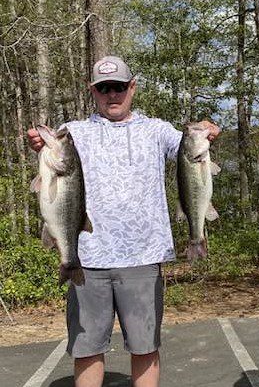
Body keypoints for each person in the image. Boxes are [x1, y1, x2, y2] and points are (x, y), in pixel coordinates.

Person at [27, 55, 220, 387]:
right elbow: (51, 155)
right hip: (87, 259)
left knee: (145, 347)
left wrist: (209, 129)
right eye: (104, 88)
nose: (112, 94)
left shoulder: (157, 130)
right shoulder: (74, 132)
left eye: (118, 86)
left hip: (143, 258)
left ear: (132, 87)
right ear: (92, 91)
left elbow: (191, 148)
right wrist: (38, 143)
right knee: (87, 349)